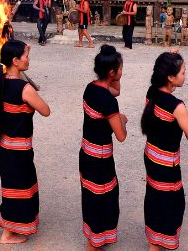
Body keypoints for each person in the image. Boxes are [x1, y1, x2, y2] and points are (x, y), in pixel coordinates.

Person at [0, 40, 51, 244]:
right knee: (20, 188)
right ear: (15, 61)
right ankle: (8, 233)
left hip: (4, 144)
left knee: (10, 183)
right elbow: (46, 110)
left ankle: (1, 218)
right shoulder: (24, 89)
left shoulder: (1, 81)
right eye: (26, 56)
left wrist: (21, 56)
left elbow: (15, 70)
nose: (29, 59)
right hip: (19, 148)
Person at [141, 51, 188, 250]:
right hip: (167, 162)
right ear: (170, 77)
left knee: (154, 197)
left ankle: (153, 241)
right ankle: (160, 242)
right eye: (183, 72)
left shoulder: (152, 91)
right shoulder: (176, 106)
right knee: (171, 203)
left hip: (151, 155)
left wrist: (172, 56)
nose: (185, 75)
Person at [80, 45, 127, 249]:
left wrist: (114, 74)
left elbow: (115, 89)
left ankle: (96, 237)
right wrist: (122, 120)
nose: (122, 72)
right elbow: (121, 136)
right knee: (104, 198)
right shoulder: (108, 102)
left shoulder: (91, 87)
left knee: (91, 197)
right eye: (120, 69)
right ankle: (95, 243)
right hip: (100, 157)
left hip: (86, 153)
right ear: (111, 71)